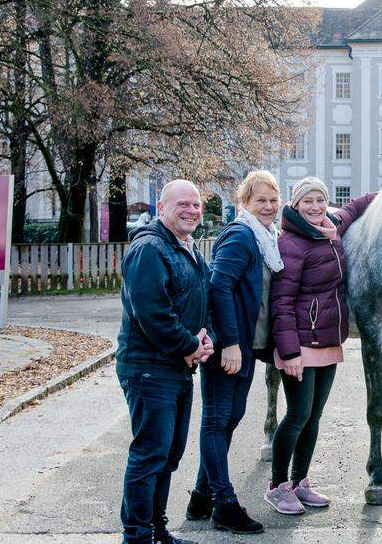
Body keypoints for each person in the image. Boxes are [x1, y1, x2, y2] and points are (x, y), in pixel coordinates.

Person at [264, 177, 374, 514]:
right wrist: (290, 352)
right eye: (307, 201)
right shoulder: (291, 243)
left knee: (313, 417)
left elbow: (356, 205)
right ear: (295, 205)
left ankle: (299, 483)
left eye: (319, 201)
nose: (314, 207)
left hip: (327, 339)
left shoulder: (330, 228)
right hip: (299, 343)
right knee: (297, 415)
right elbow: (281, 302)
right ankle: (277, 486)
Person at [116, 179, 214, 544]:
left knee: (169, 454)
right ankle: (137, 536)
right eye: (182, 205)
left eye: (196, 205)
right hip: (148, 367)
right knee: (150, 453)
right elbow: (152, 313)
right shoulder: (149, 249)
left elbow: (200, 301)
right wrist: (190, 344)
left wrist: (205, 340)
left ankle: (157, 531)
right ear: (162, 208)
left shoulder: (186, 248)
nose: (191, 210)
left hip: (176, 365)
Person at [185, 171, 282, 534]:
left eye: (274, 200)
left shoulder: (266, 237)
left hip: (243, 346)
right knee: (217, 420)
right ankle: (224, 504)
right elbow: (219, 285)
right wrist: (229, 343)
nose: (269, 207)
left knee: (229, 418)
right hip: (228, 346)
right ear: (245, 203)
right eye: (261, 200)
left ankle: (200, 496)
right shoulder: (242, 236)